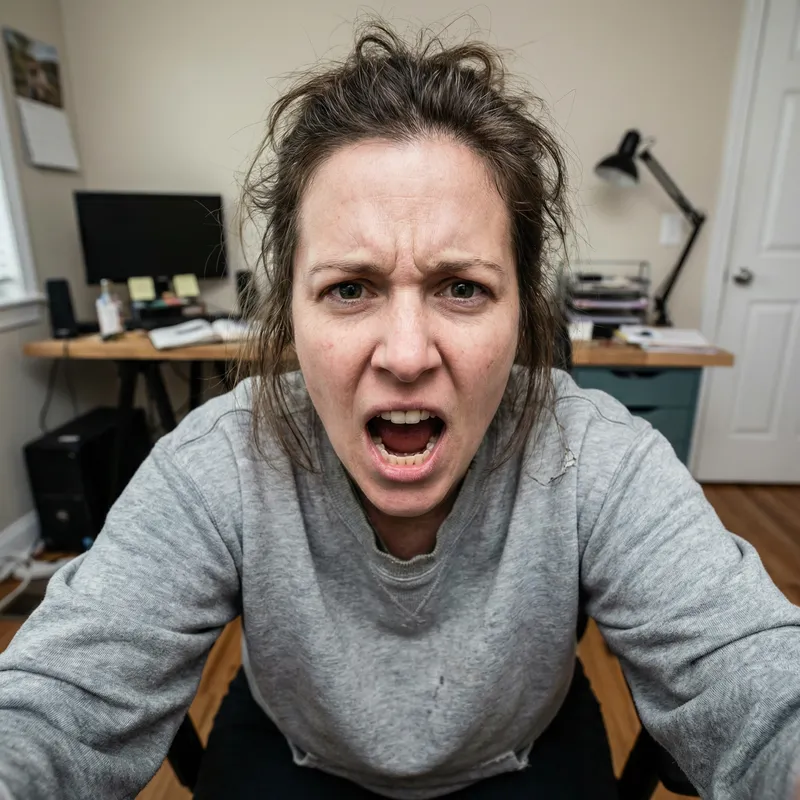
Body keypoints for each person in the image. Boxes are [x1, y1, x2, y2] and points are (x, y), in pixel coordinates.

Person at [1, 21, 799, 800]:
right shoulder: (217, 462)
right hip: (293, 752)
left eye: (463, 288)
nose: (408, 354)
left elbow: (753, 681)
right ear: (290, 312)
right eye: (350, 288)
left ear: (523, 310)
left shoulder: (598, 459)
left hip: (524, 753)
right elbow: (59, 702)